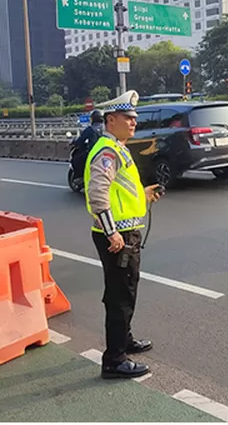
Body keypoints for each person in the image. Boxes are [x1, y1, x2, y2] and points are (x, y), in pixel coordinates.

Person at [83, 90, 163, 380]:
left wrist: (144, 195)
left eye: (134, 118)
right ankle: (114, 359)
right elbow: (97, 194)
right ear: (111, 119)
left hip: (125, 232)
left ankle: (124, 340)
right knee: (120, 296)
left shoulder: (117, 148)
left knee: (126, 290)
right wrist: (111, 232)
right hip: (117, 237)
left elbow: (121, 192)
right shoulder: (107, 151)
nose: (133, 123)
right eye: (128, 118)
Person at [71, 109, 104, 180]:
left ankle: (79, 176)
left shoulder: (90, 129)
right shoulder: (105, 128)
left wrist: (73, 142)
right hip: (105, 152)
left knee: (76, 160)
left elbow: (80, 140)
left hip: (93, 153)